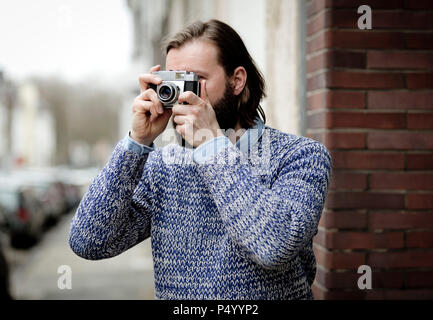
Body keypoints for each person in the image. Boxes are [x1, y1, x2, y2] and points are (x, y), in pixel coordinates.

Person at [69, 19, 332, 300]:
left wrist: (211, 146)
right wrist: (136, 142)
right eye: (176, 80)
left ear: (237, 80)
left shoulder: (300, 156)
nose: (185, 94)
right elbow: (89, 241)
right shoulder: (163, 167)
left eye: (196, 79)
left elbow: (275, 246)